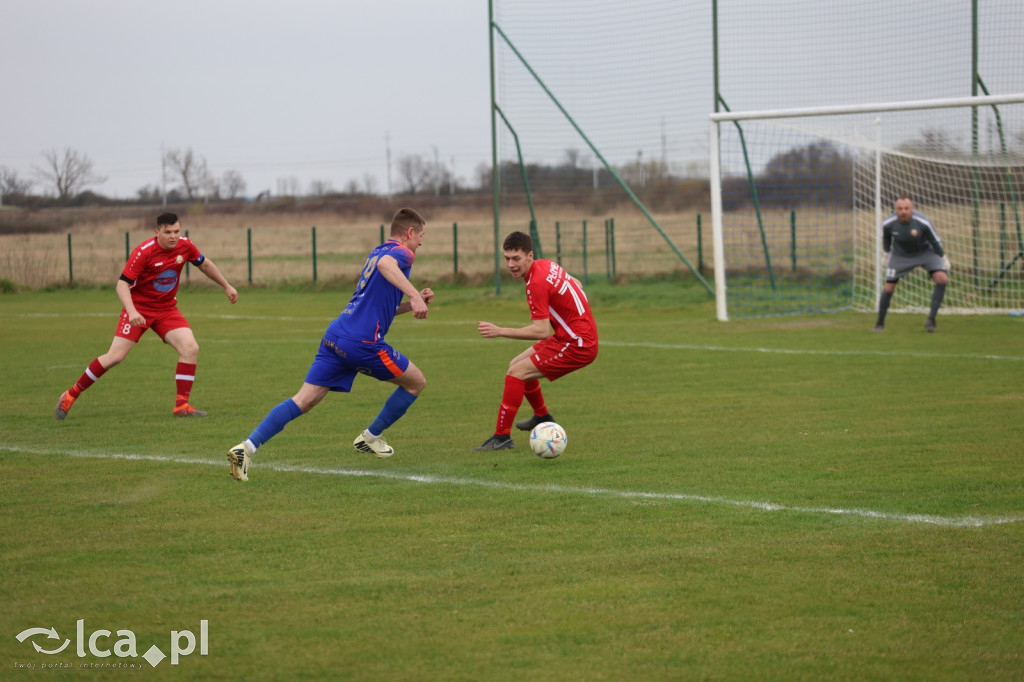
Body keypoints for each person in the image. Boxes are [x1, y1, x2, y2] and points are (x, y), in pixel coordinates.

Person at [227, 208, 433, 482]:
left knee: (303, 400)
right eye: (421, 236)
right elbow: (387, 265)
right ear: (409, 232)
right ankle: (370, 437)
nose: (421, 243)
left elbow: (380, 308)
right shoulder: (401, 253)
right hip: (362, 343)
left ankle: (246, 448)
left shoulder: (377, 251)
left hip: (336, 335)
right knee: (416, 382)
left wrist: (412, 302)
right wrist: (415, 295)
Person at [54, 212, 238, 420]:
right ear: (157, 232)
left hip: (166, 309)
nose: (173, 236)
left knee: (190, 348)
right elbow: (122, 285)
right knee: (115, 357)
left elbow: (204, 264)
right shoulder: (144, 252)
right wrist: (132, 311)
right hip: (139, 308)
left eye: (176, 231)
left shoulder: (185, 245)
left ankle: (182, 406)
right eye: (168, 232)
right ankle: (71, 395)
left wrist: (226, 286)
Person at [474, 231, 598, 451]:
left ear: (530, 255)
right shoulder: (547, 265)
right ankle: (542, 416)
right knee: (516, 364)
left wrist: (500, 331)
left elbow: (540, 331)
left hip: (577, 344)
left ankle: (501, 437)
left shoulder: (536, 283)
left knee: (516, 373)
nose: (510, 264)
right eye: (507, 258)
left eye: (516, 258)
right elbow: (576, 283)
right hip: (569, 336)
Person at [874, 195, 950, 333]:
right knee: (889, 287)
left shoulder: (922, 222)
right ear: (895, 209)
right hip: (900, 255)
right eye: (900, 209)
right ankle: (879, 324)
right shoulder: (888, 224)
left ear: (912, 209)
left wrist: (943, 257)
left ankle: (931, 320)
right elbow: (886, 239)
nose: (903, 211)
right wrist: (886, 255)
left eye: (906, 208)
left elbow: (934, 240)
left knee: (942, 278)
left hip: (925, 252)